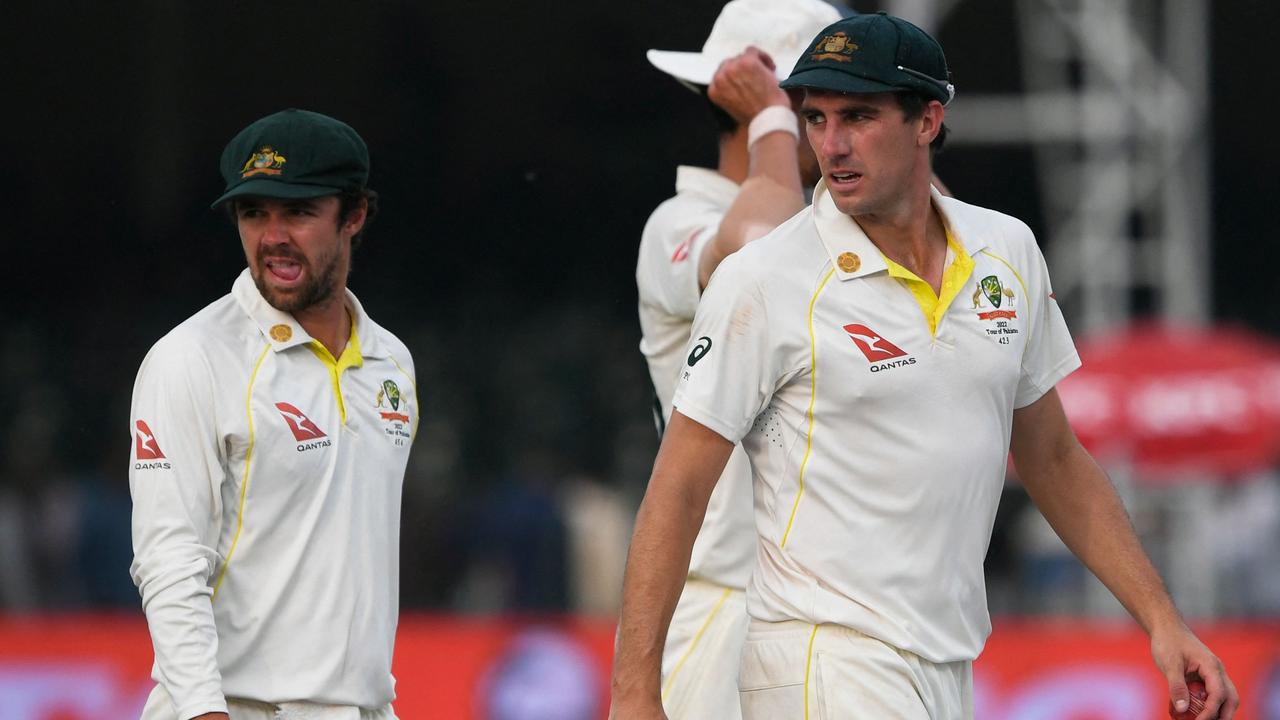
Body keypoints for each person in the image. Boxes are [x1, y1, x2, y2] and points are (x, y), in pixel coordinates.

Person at [612, 12, 1239, 720]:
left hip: (945, 665)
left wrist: (1162, 619)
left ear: (928, 120)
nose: (833, 144)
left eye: (858, 115)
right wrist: (633, 695)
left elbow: (1054, 456)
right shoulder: (764, 274)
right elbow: (677, 486)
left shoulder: (1007, 249)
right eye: (814, 117)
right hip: (819, 658)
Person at [129, 109, 416, 720]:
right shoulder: (190, 358)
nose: (273, 236)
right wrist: (206, 711)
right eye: (254, 213)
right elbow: (169, 561)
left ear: (355, 216)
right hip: (235, 708)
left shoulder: (392, 362)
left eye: (300, 212)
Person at [635, 0, 840, 717]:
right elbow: (761, 249)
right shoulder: (678, 225)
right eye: (826, 106)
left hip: (839, 622)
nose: (841, 129)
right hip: (724, 615)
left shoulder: (841, 239)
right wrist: (775, 121)